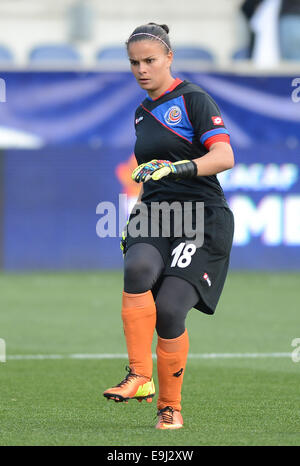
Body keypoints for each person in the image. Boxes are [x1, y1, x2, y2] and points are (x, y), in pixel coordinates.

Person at [103, 23, 235, 430]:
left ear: (169, 59)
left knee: (170, 311)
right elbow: (147, 173)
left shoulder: (193, 99)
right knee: (137, 268)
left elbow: (225, 156)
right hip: (156, 212)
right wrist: (135, 214)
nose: (141, 69)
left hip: (201, 216)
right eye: (134, 62)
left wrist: (178, 167)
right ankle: (140, 375)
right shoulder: (142, 113)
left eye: (149, 60)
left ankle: (170, 407)